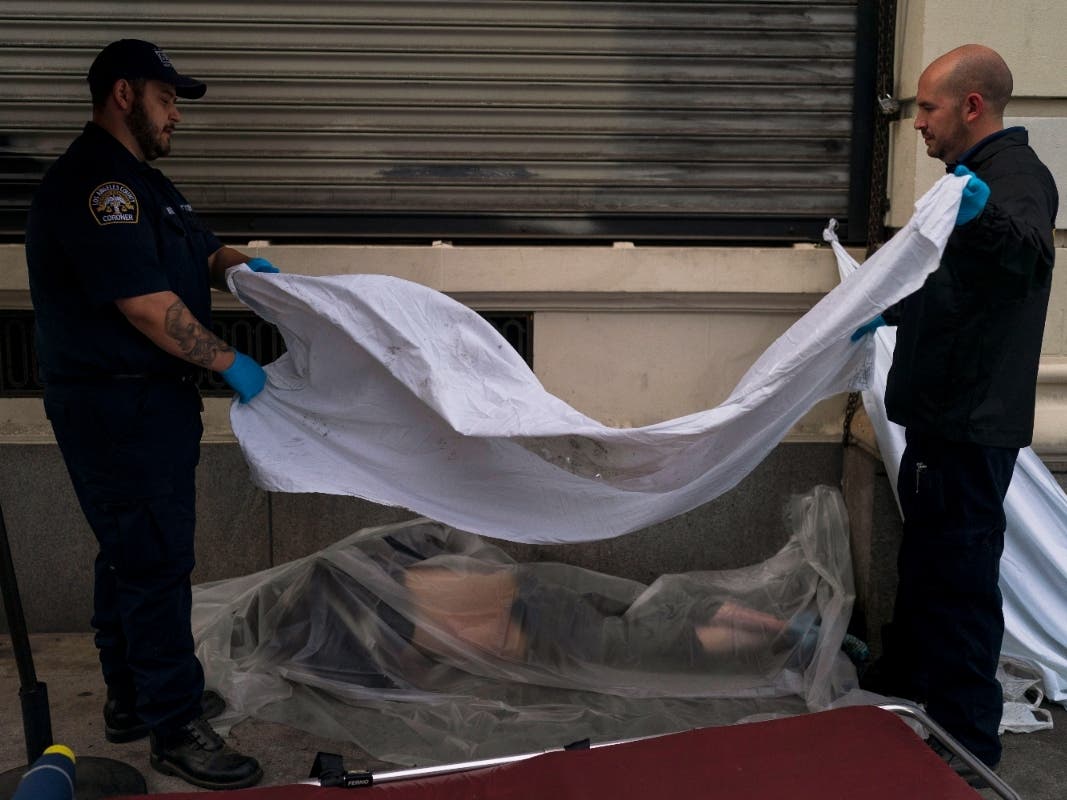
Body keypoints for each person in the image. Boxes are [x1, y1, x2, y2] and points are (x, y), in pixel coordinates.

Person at [24, 39, 280, 790]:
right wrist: (229, 361)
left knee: (129, 552)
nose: (176, 116)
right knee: (155, 560)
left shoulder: (144, 185)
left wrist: (238, 264)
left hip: (144, 401)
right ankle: (174, 727)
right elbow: (142, 304)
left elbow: (192, 252)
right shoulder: (96, 186)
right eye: (168, 100)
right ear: (124, 94)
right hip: (117, 401)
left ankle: (132, 696)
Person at [857, 44, 1058, 779]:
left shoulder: (1014, 179)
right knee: (927, 570)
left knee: (960, 586)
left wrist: (978, 216)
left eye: (928, 109)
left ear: (972, 106)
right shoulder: (965, 180)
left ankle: (969, 752)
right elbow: (956, 290)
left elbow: (1026, 255)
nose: (918, 125)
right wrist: (885, 311)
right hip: (940, 422)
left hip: (969, 428)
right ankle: (907, 697)